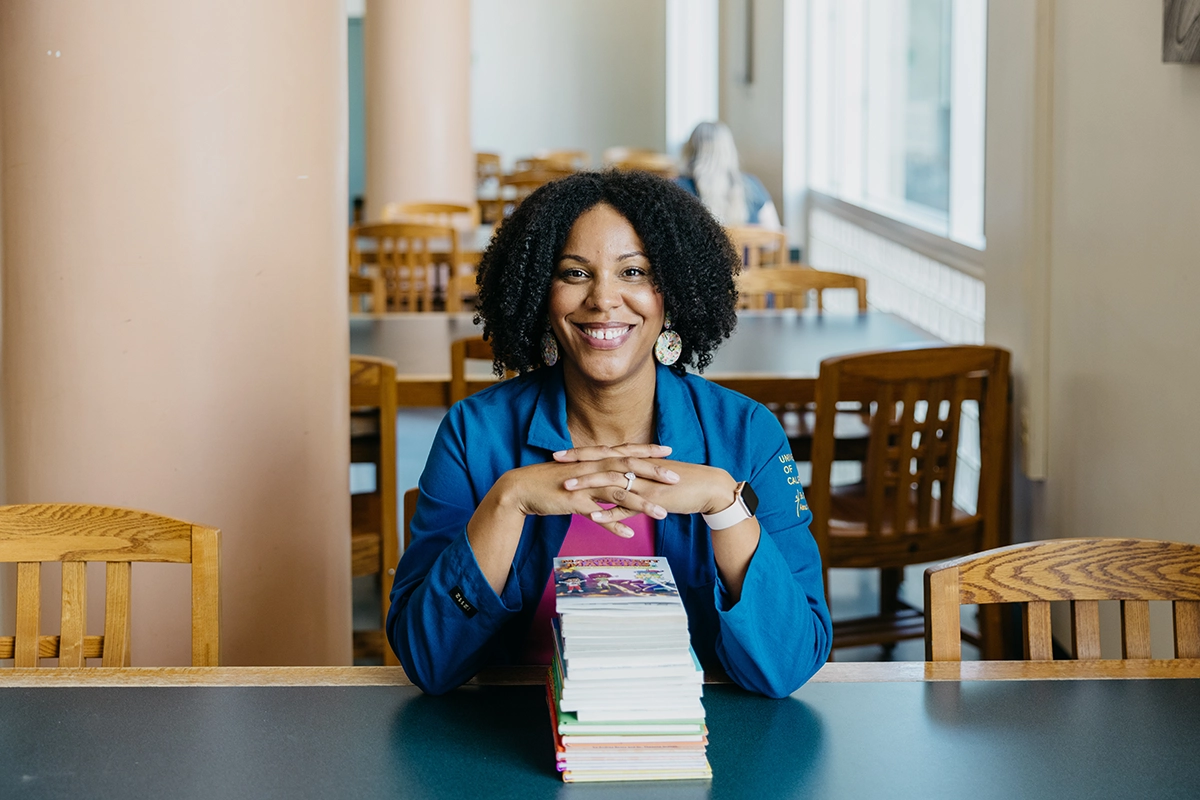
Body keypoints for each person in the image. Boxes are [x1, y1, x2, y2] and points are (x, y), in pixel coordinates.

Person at [386, 170, 830, 698]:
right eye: (575, 274)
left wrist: (724, 505)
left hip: (697, 742)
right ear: (540, 294)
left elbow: (791, 664)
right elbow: (427, 660)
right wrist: (507, 502)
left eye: (634, 272)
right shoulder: (472, 433)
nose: (603, 299)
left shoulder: (747, 435)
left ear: (673, 292)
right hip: (513, 735)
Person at [675, 120, 781, 228]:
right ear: (729, 150)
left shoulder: (677, 189)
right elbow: (774, 236)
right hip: (744, 245)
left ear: (689, 150)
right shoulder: (752, 185)